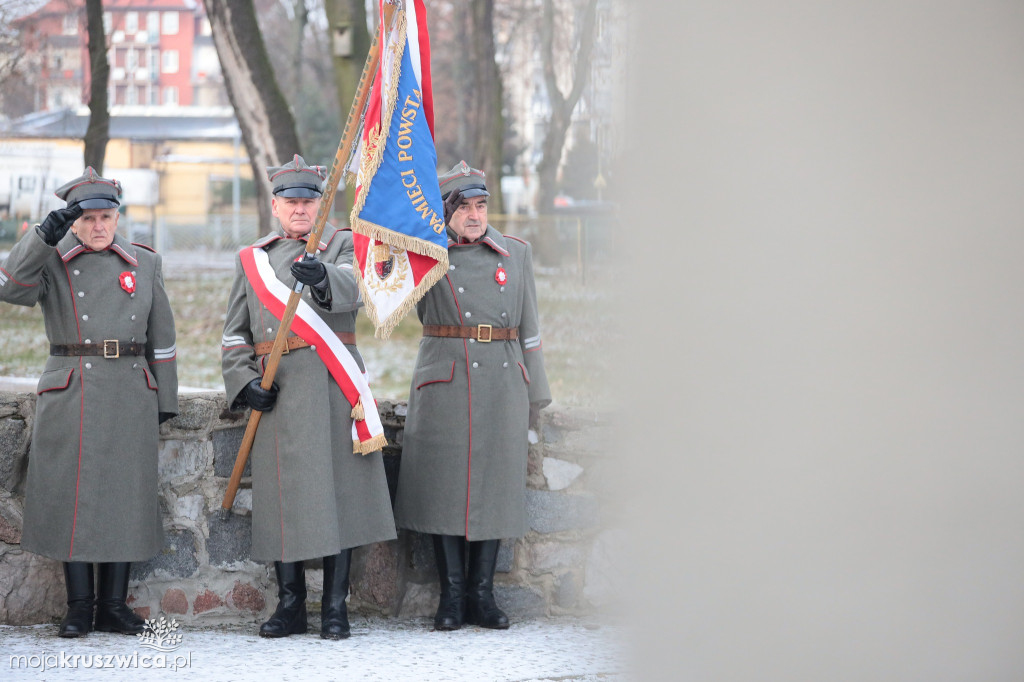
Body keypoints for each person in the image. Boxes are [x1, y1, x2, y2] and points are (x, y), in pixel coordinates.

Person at [220, 155, 396, 640]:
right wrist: (243, 383)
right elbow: (234, 334)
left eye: (309, 201)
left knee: (339, 495)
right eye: (292, 202)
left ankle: (336, 607)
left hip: (333, 386)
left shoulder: (342, 243)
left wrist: (322, 278)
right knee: (285, 500)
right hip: (281, 392)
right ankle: (290, 604)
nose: (301, 209)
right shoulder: (253, 259)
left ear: (322, 204)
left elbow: (359, 287)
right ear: (275, 206)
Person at [0, 167, 178, 638]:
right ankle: (79, 606)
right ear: (73, 222)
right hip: (72, 387)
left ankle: (114, 606)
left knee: (124, 496)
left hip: (130, 389)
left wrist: (166, 398)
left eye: (107, 216)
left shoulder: (144, 262)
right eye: (89, 218)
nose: (99, 226)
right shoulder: (52, 261)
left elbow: (164, 340)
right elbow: (9, 286)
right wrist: (42, 237)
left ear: (117, 217)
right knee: (69, 497)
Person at [394, 161, 551, 630]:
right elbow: (386, 290)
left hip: (502, 379)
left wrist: (535, 395)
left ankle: (483, 596)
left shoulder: (515, 254)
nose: (475, 215)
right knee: (444, 488)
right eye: (464, 208)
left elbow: (531, 329)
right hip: (445, 378)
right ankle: (452, 597)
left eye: (481, 206)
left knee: (495, 488)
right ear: (446, 213)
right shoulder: (426, 254)